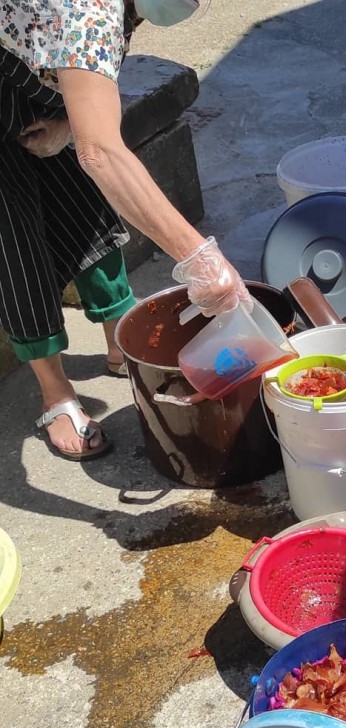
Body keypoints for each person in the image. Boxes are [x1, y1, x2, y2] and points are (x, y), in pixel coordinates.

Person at [0, 0, 251, 460]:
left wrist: (69, 125)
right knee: (16, 244)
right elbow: (100, 153)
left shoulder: (100, 16)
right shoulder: (86, 13)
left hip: (31, 67)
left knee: (90, 206)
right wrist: (200, 257)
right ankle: (55, 395)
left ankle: (123, 345)